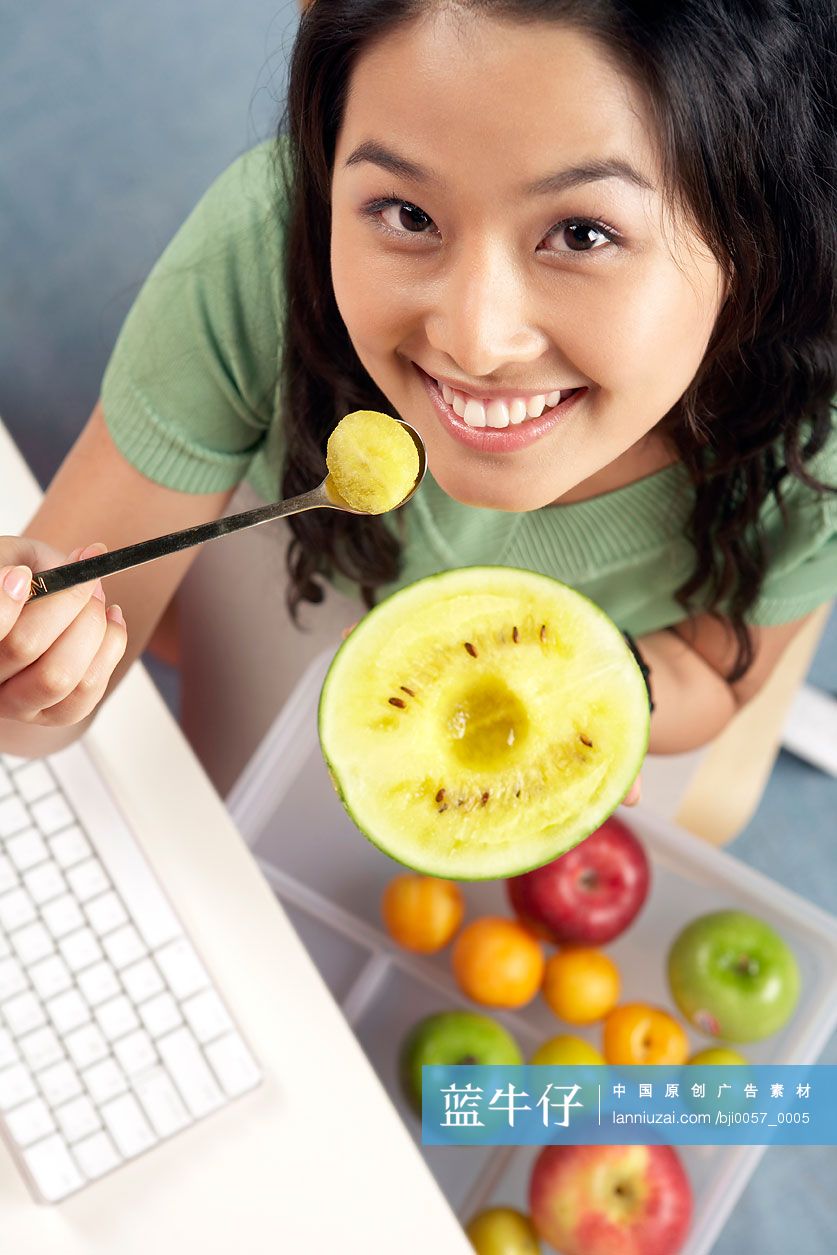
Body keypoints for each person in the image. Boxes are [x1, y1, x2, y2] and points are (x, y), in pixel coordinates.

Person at [1, 0, 835, 807]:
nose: (473, 340)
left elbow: (711, 664)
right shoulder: (262, 247)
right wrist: (31, 673)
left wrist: (598, 687)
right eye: (406, 214)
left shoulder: (817, 441)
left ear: (762, 232)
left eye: (581, 233)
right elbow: (52, 703)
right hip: (308, 556)